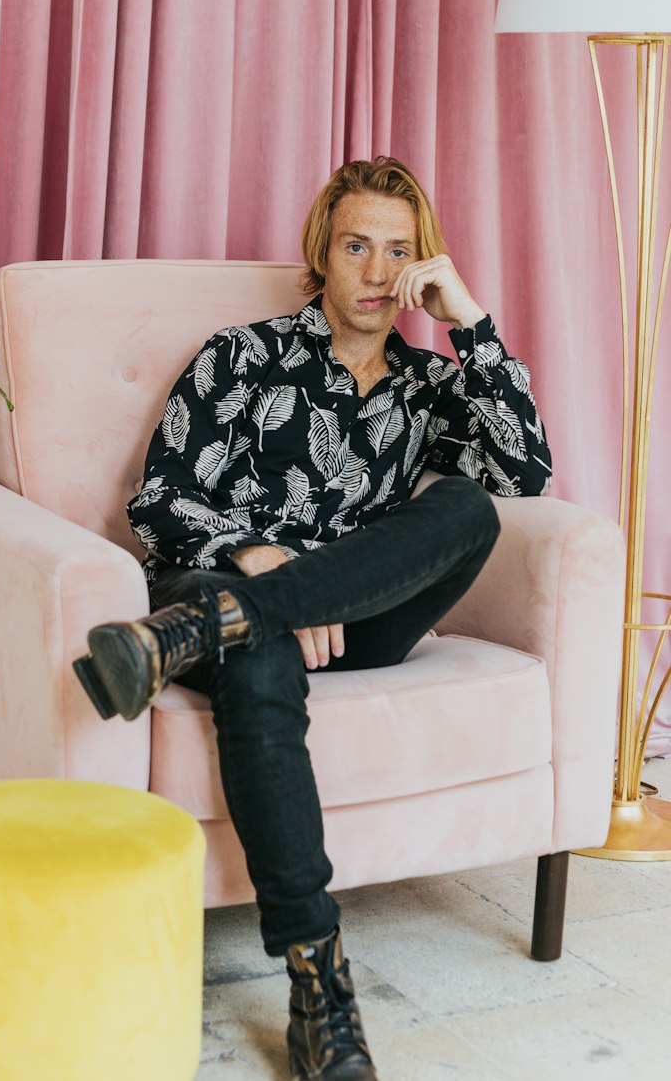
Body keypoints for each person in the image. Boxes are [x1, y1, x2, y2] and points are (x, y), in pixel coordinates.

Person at [73, 157, 551, 1081]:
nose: (377, 272)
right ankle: (318, 985)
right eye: (357, 246)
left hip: (340, 622)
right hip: (221, 587)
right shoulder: (241, 356)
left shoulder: (428, 384)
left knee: (470, 511)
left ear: (424, 266)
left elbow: (524, 474)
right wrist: (262, 560)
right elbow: (160, 501)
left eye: (399, 252)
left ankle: (193, 638)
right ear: (321, 256)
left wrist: (475, 326)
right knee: (257, 659)